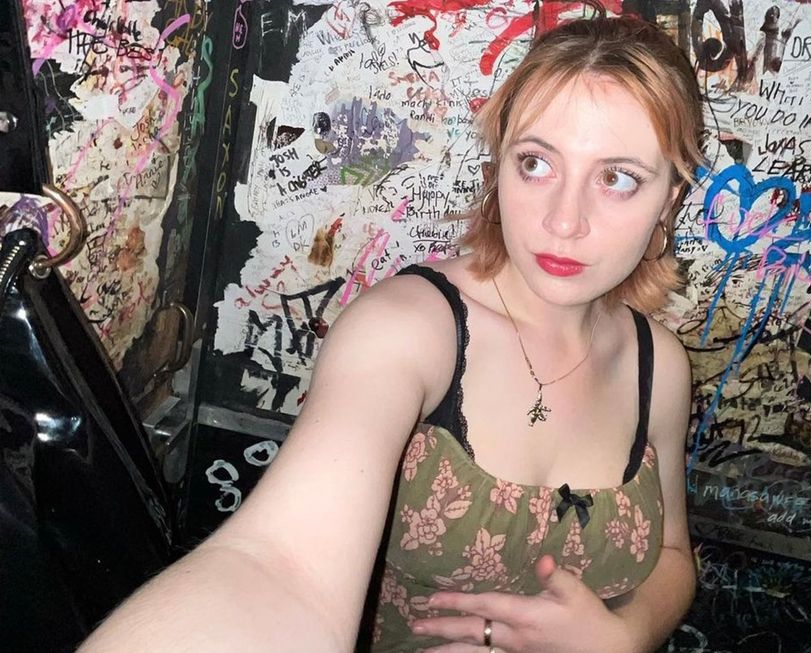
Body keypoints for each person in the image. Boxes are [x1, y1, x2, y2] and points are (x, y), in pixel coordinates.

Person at [81, 14, 703, 653]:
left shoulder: (659, 364)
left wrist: (626, 636)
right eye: (537, 163)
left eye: (618, 177)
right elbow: (279, 564)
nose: (564, 221)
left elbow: (675, 554)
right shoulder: (407, 328)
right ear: (499, 169)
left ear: (670, 202)